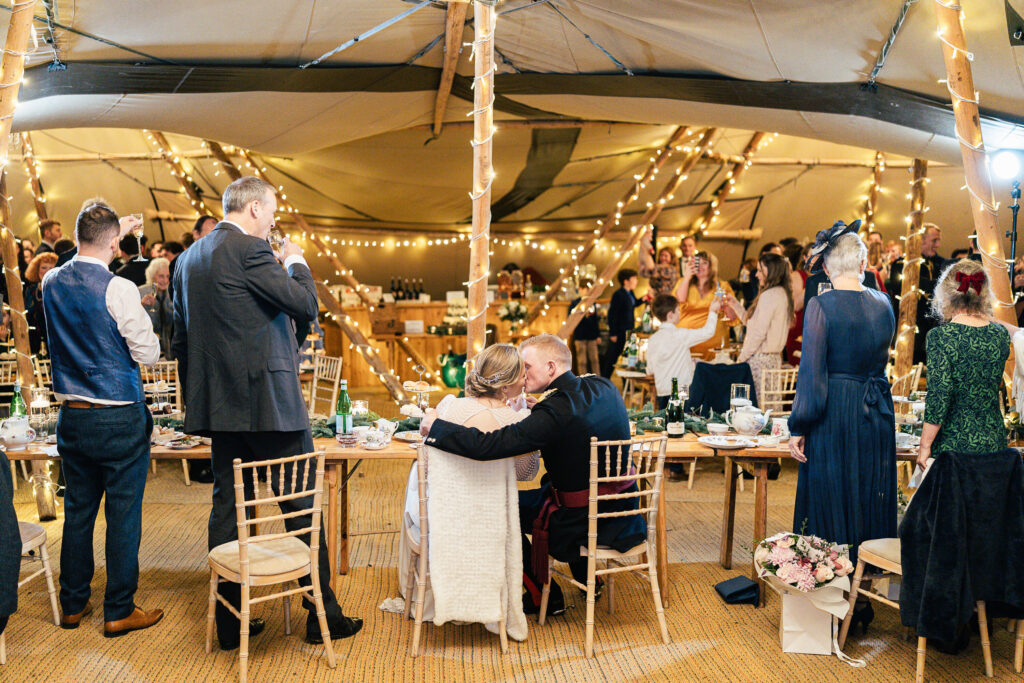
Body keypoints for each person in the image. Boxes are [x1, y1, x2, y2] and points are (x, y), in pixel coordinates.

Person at [172, 176, 362, 650]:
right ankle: (321, 616)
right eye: (272, 212)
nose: (273, 220)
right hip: (271, 406)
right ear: (255, 208)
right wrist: (296, 261)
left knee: (227, 506)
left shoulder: (187, 259)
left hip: (218, 407)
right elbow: (304, 304)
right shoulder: (252, 250)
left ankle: (228, 616)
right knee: (300, 505)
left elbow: (181, 340)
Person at [420, 334, 645, 616]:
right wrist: (534, 409)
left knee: (503, 506)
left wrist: (437, 427)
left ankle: (542, 595)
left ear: (551, 368)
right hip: (626, 509)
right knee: (553, 486)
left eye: (526, 367)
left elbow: (488, 445)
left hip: (581, 521)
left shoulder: (554, 411)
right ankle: (590, 575)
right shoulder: (603, 385)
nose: (521, 375)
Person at [42, 204, 163, 636]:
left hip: (71, 417)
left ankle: (73, 605)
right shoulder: (120, 288)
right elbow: (148, 354)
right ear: (115, 243)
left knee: (77, 512)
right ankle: (118, 609)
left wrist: (116, 229)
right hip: (118, 418)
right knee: (123, 514)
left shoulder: (50, 281)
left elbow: (93, 238)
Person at [900, 260, 1024, 652]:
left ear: (946, 294)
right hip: (994, 449)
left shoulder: (941, 338)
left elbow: (940, 398)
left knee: (919, 530)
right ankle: (972, 608)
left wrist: (923, 447)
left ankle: (942, 615)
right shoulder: (998, 337)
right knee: (978, 531)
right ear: (982, 293)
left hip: (953, 454)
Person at [788, 226, 896, 632]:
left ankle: (831, 602)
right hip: (876, 413)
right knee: (867, 496)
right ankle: (862, 602)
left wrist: (799, 425)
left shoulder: (822, 306)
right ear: (864, 264)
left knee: (831, 496)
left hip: (835, 413)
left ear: (827, 268)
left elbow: (812, 373)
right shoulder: (884, 304)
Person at [398, 344, 538, 641]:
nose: (526, 377)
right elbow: (525, 473)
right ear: (509, 382)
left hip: (441, 522)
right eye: (522, 372)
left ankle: (433, 598)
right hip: (488, 529)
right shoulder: (518, 423)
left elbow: (427, 469)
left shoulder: (448, 408)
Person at [885, 223, 947, 363]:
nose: (938, 245)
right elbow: (905, 285)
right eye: (934, 240)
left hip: (932, 330)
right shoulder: (902, 264)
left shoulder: (941, 263)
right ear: (921, 240)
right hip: (907, 329)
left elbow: (943, 289)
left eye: (938, 240)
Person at [646, 293, 720, 409]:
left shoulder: (652, 340)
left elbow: (650, 369)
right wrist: (713, 311)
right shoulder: (680, 335)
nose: (680, 313)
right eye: (678, 310)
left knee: (667, 424)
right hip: (681, 391)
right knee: (683, 423)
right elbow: (708, 332)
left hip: (662, 391)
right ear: (670, 315)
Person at [736, 253, 794, 397]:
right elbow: (753, 324)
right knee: (770, 407)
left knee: (757, 410)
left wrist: (741, 358)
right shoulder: (783, 294)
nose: (757, 275)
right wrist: (734, 304)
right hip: (773, 361)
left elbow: (758, 333)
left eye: (760, 270)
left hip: (760, 362)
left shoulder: (769, 295)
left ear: (771, 271)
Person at [673, 250, 740, 358]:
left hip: (714, 345)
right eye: (697, 263)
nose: (700, 266)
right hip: (687, 343)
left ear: (712, 266)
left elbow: (732, 317)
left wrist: (725, 304)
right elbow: (679, 301)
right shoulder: (683, 282)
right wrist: (686, 277)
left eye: (704, 263)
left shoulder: (722, 286)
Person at [600, 268, 644, 378]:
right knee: (612, 358)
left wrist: (643, 299)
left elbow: (633, 305)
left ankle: (627, 385)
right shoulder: (618, 295)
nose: (636, 281)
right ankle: (604, 380)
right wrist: (613, 333)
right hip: (619, 332)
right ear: (626, 281)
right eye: (634, 279)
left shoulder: (630, 293)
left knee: (628, 358)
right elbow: (612, 314)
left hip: (629, 331)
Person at [138, 257, 173, 359]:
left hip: (167, 351)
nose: (165, 280)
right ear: (152, 276)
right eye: (161, 276)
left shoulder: (171, 294)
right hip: (145, 348)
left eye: (168, 276)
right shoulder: (140, 292)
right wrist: (141, 305)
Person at [23, 252, 57, 354]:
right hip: (33, 340)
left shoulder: (60, 290)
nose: (47, 271)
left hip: (55, 340)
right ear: (36, 270)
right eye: (43, 267)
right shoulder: (30, 290)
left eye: (51, 268)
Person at [569, 284, 601, 375]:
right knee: (582, 362)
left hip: (592, 336)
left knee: (595, 360)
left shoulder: (592, 303)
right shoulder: (575, 303)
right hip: (580, 335)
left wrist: (598, 335)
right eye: (585, 289)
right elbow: (570, 318)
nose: (587, 292)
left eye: (589, 290)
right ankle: (583, 381)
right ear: (580, 289)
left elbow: (595, 320)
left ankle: (597, 380)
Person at [638, 230, 679, 296]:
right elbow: (643, 273)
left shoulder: (671, 269)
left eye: (666, 256)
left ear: (671, 258)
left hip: (665, 300)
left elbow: (652, 268)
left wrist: (645, 246)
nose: (663, 258)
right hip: (655, 299)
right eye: (661, 255)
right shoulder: (658, 268)